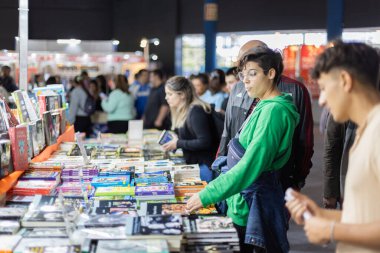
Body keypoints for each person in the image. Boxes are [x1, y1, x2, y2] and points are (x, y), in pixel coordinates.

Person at [187, 47, 300, 253]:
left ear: (271, 73)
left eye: (252, 73)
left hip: (251, 208)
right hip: (240, 201)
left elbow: (250, 165)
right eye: (243, 74)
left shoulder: (274, 111)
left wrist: (207, 195)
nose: (245, 80)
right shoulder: (263, 105)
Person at [286, 41, 380, 253]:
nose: (322, 101)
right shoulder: (364, 130)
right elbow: (365, 216)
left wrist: (331, 230)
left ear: (345, 81)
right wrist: (323, 215)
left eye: (324, 89)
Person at [219, 40, 314, 192]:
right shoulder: (238, 87)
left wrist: (298, 178)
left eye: (251, 70)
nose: (245, 79)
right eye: (242, 70)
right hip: (235, 177)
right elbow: (227, 132)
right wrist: (220, 164)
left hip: (273, 179)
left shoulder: (294, 91)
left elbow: (305, 140)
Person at [162, 76, 218, 183]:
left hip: (204, 168)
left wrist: (178, 143)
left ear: (182, 94)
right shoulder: (186, 110)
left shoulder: (196, 111)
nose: (166, 97)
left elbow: (205, 141)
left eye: (170, 94)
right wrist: (176, 138)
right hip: (196, 166)